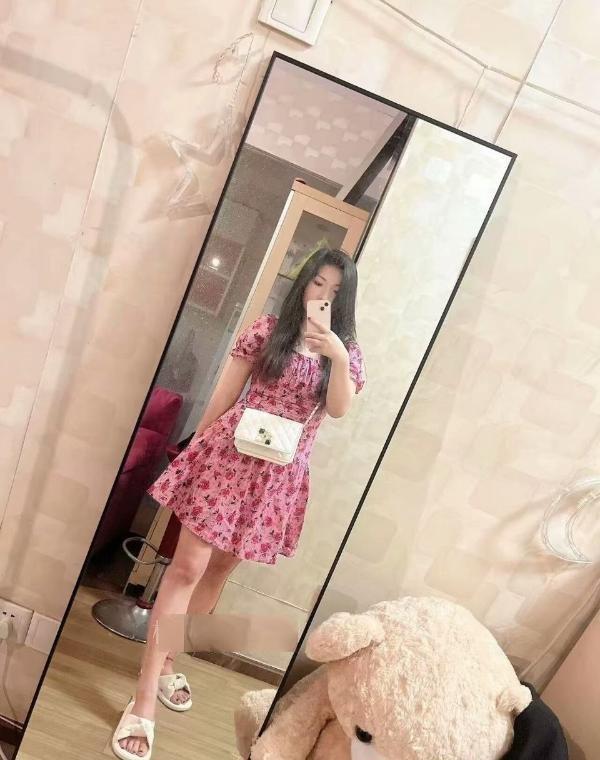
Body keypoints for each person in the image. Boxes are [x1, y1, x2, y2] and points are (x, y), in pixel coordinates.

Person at [112, 248, 366, 760]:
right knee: (186, 568)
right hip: (226, 459)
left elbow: (339, 409)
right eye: (318, 283)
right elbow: (225, 395)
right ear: (303, 283)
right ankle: (143, 699)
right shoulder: (269, 330)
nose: (323, 296)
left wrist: (337, 355)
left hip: (276, 479)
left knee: (218, 572)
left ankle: (168, 662)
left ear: (346, 299)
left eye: (336, 291)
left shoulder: (347, 352)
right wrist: (193, 454)